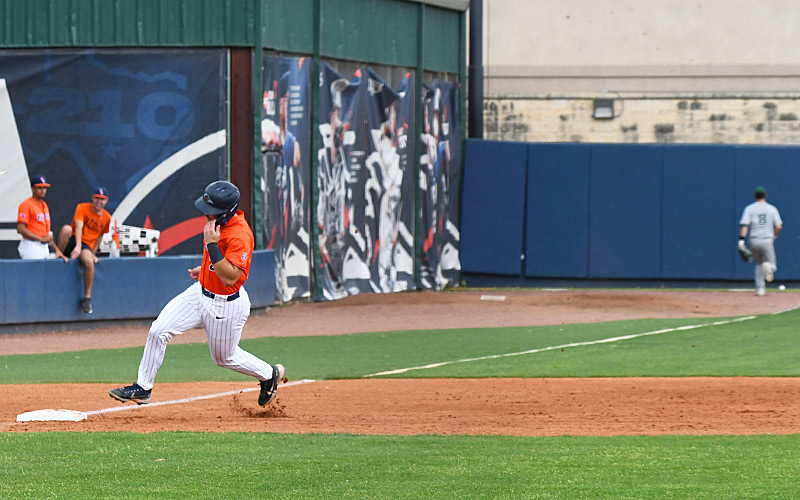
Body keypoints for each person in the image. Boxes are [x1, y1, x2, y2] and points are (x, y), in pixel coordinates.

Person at [108, 181, 285, 407]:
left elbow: (231, 276)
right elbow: (219, 265)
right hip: (199, 293)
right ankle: (143, 388)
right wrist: (205, 270)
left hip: (225, 305)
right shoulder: (217, 226)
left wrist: (212, 246)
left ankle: (268, 375)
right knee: (158, 331)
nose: (206, 215)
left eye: (211, 212)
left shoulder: (240, 235)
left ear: (226, 213)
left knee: (224, 358)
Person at [56, 187, 112, 313]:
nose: (99, 201)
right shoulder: (82, 207)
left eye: (102, 199)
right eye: (97, 198)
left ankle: (87, 298)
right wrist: (78, 246)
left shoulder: (107, 217)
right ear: (92, 198)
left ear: (106, 201)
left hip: (86, 245)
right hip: (74, 239)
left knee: (89, 262)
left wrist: (92, 253)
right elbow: (78, 227)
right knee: (66, 229)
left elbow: (99, 237)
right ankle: (58, 255)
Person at [738, 185, 782, 296]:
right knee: (771, 264)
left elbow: (745, 225)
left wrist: (741, 240)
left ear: (754, 196)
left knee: (758, 264)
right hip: (767, 239)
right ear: (765, 195)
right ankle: (769, 268)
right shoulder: (772, 208)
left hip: (754, 239)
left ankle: (760, 289)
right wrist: (774, 236)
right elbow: (778, 226)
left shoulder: (749, 208)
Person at [16, 174, 67, 261]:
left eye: (44, 188)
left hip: (44, 246)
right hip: (31, 245)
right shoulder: (26, 205)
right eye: (39, 188)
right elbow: (20, 229)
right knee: (34, 273)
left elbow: (46, 234)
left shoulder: (44, 205)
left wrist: (57, 250)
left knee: (43, 274)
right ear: (33, 188)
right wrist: (41, 238)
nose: (43, 190)